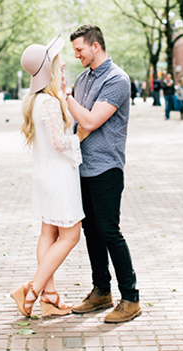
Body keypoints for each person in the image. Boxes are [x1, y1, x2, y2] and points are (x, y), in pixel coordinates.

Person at [65, 24, 141, 324]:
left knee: (110, 231)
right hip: (82, 167)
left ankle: (131, 297)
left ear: (96, 46)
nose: (77, 55)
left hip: (107, 168)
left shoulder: (117, 79)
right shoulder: (83, 79)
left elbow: (91, 120)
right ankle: (101, 291)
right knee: (91, 232)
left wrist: (64, 96)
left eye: (80, 49)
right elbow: (78, 123)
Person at [10, 36, 83, 319]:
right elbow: (58, 142)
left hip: (43, 175)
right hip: (58, 179)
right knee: (71, 235)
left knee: (48, 233)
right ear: (49, 69)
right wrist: (80, 136)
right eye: (58, 61)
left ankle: (50, 299)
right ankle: (32, 291)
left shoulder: (35, 101)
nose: (63, 63)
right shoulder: (50, 103)